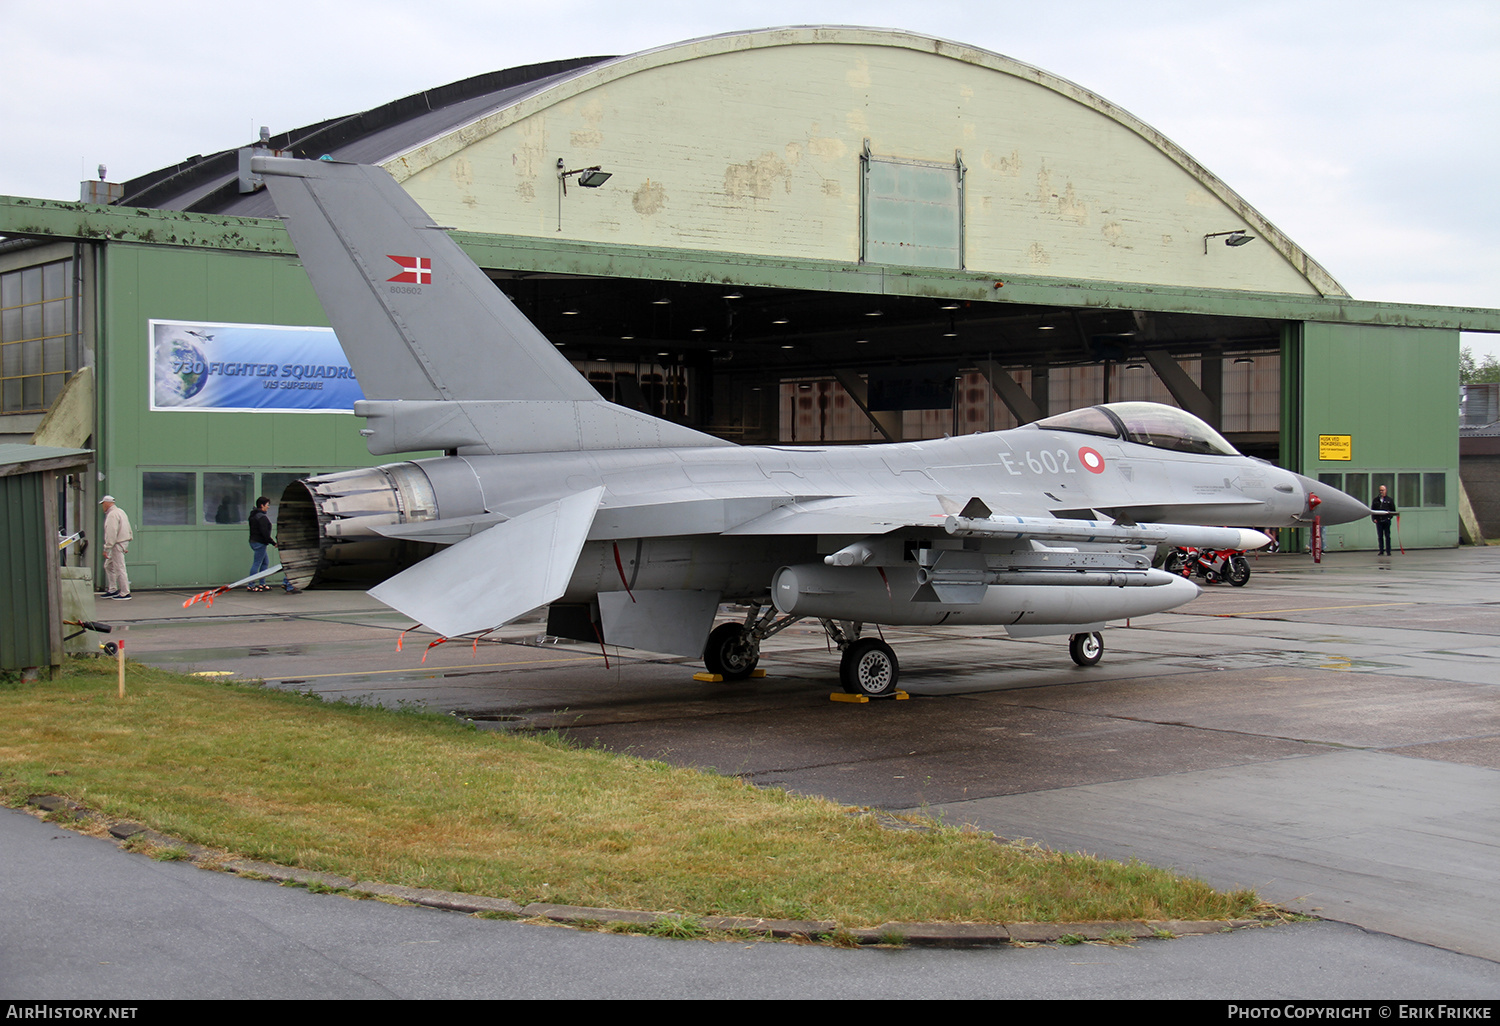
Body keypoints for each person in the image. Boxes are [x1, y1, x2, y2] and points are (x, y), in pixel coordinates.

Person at [248, 497, 298, 593]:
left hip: (254, 541)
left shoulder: (254, 515)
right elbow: (264, 532)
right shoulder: (261, 517)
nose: (268, 507)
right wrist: (273, 543)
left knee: (265, 562)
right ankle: (251, 585)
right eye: (267, 505)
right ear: (262, 505)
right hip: (260, 543)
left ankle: (262, 583)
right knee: (257, 563)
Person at [99, 495, 132, 600]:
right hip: (122, 542)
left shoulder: (112, 515)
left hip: (116, 544)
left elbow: (111, 533)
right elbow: (128, 528)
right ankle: (112, 589)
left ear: (107, 503)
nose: (103, 506)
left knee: (119, 568)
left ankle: (125, 592)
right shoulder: (121, 512)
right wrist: (127, 542)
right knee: (108, 566)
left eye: (103, 504)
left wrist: (106, 548)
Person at [1371, 483, 1397, 555]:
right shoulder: (1376, 500)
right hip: (1379, 520)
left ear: (1386, 490)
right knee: (1380, 536)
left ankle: (1388, 550)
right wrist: (1374, 519)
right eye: (1380, 490)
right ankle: (1381, 550)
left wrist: (1389, 517)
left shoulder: (1389, 500)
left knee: (1387, 536)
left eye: (1383, 490)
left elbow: (1393, 510)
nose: (1381, 492)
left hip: (1386, 520)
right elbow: (1373, 510)